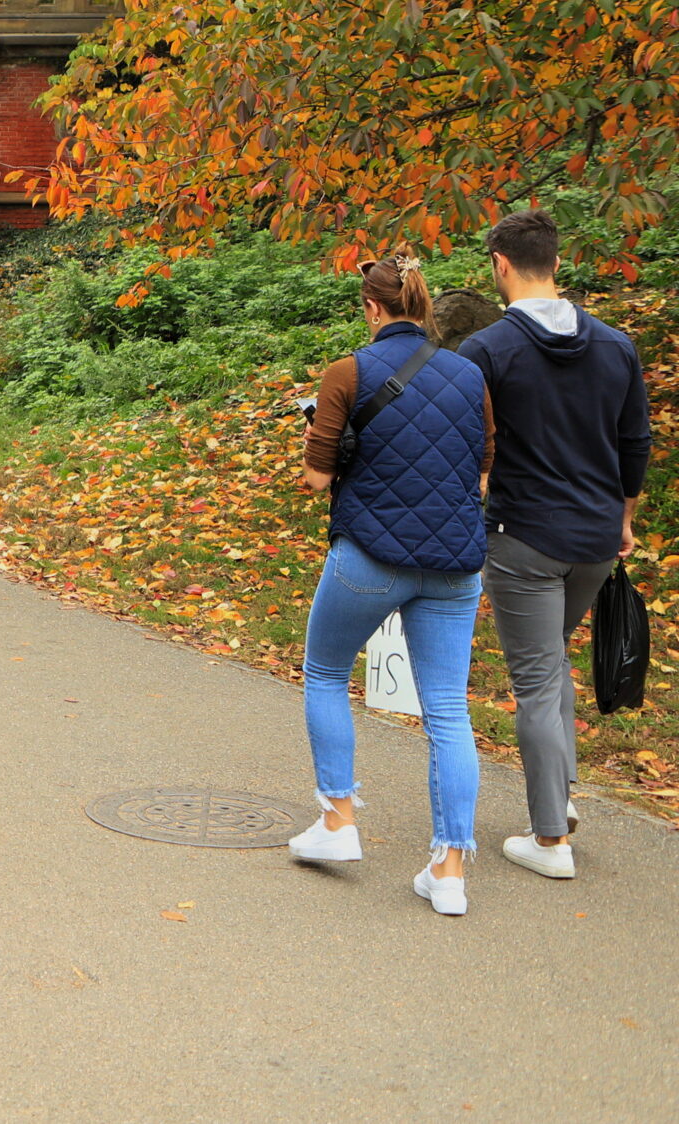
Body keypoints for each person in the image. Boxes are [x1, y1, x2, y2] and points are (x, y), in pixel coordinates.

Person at [288, 256, 491, 915]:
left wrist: (320, 437)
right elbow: (484, 471)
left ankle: (340, 822)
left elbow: (317, 478)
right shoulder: (471, 375)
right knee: (448, 710)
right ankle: (449, 870)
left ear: (372, 309)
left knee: (323, 672)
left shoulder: (349, 371)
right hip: (456, 564)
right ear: (422, 306)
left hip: (371, 558)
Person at [457, 208, 651, 880]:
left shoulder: (486, 351)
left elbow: (462, 442)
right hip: (597, 539)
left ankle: (549, 841)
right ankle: (559, 803)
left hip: (525, 539)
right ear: (556, 262)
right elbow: (635, 444)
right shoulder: (615, 345)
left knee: (537, 678)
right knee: (551, 665)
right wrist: (624, 518)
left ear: (500, 266)